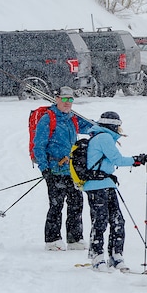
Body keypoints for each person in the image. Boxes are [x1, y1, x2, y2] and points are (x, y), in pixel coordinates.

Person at [83, 111, 147, 272]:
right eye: (118, 126)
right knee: (103, 220)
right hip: (97, 185)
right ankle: (99, 256)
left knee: (115, 220)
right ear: (113, 126)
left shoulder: (100, 136)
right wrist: (138, 159)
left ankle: (115, 256)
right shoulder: (104, 137)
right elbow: (117, 159)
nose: (120, 130)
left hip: (104, 183)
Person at [33, 86, 93, 251]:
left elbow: (90, 127)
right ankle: (52, 240)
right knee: (56, 205)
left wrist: (105, 127)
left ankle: (75, 239)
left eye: (71, 99)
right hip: (54, 170)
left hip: (72, 171)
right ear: (57, 99)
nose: (68, 102)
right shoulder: (48, 119)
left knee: (76, 204)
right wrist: (44, 169)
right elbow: (38, 146)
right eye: (64, 99)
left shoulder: (72, 119)